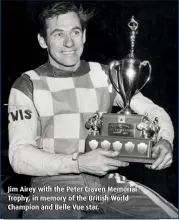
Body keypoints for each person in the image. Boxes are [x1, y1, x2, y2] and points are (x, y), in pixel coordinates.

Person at [8, 1, 178, 218]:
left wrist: (165, 140)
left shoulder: (106, 74)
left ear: (84, 36)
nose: (69, 42)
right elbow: (19, 155)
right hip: (53, 187)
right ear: (42, 40)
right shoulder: (27, 84)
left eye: (75, 32)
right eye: (58, 34)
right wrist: (78, 163)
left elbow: (154, 112)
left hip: (106, 183)